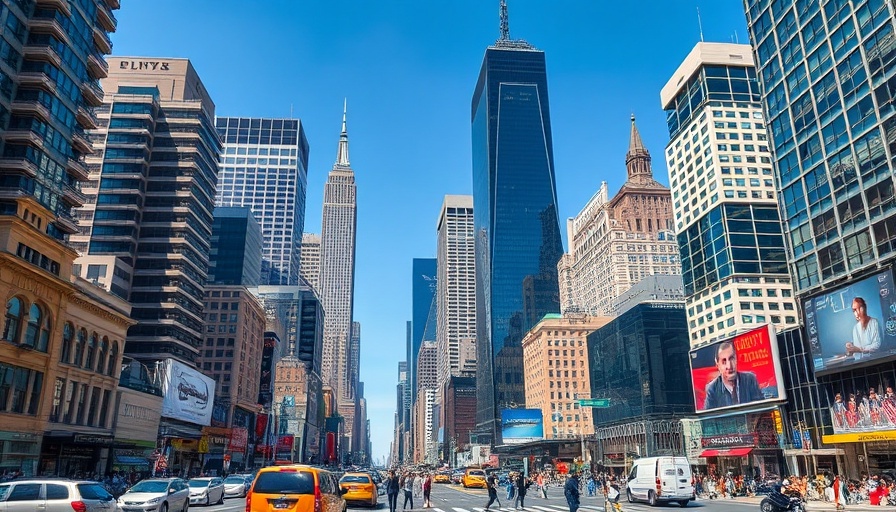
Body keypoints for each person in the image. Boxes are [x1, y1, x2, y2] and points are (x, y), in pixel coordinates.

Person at [703, 341, 765, 409]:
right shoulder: (712, 389)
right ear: (718, 365)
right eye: (724, 361)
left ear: (736, 359)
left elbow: (762, 410)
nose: (729, 366)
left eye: (731, 359)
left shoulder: (750, 379)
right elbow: (709, 418)